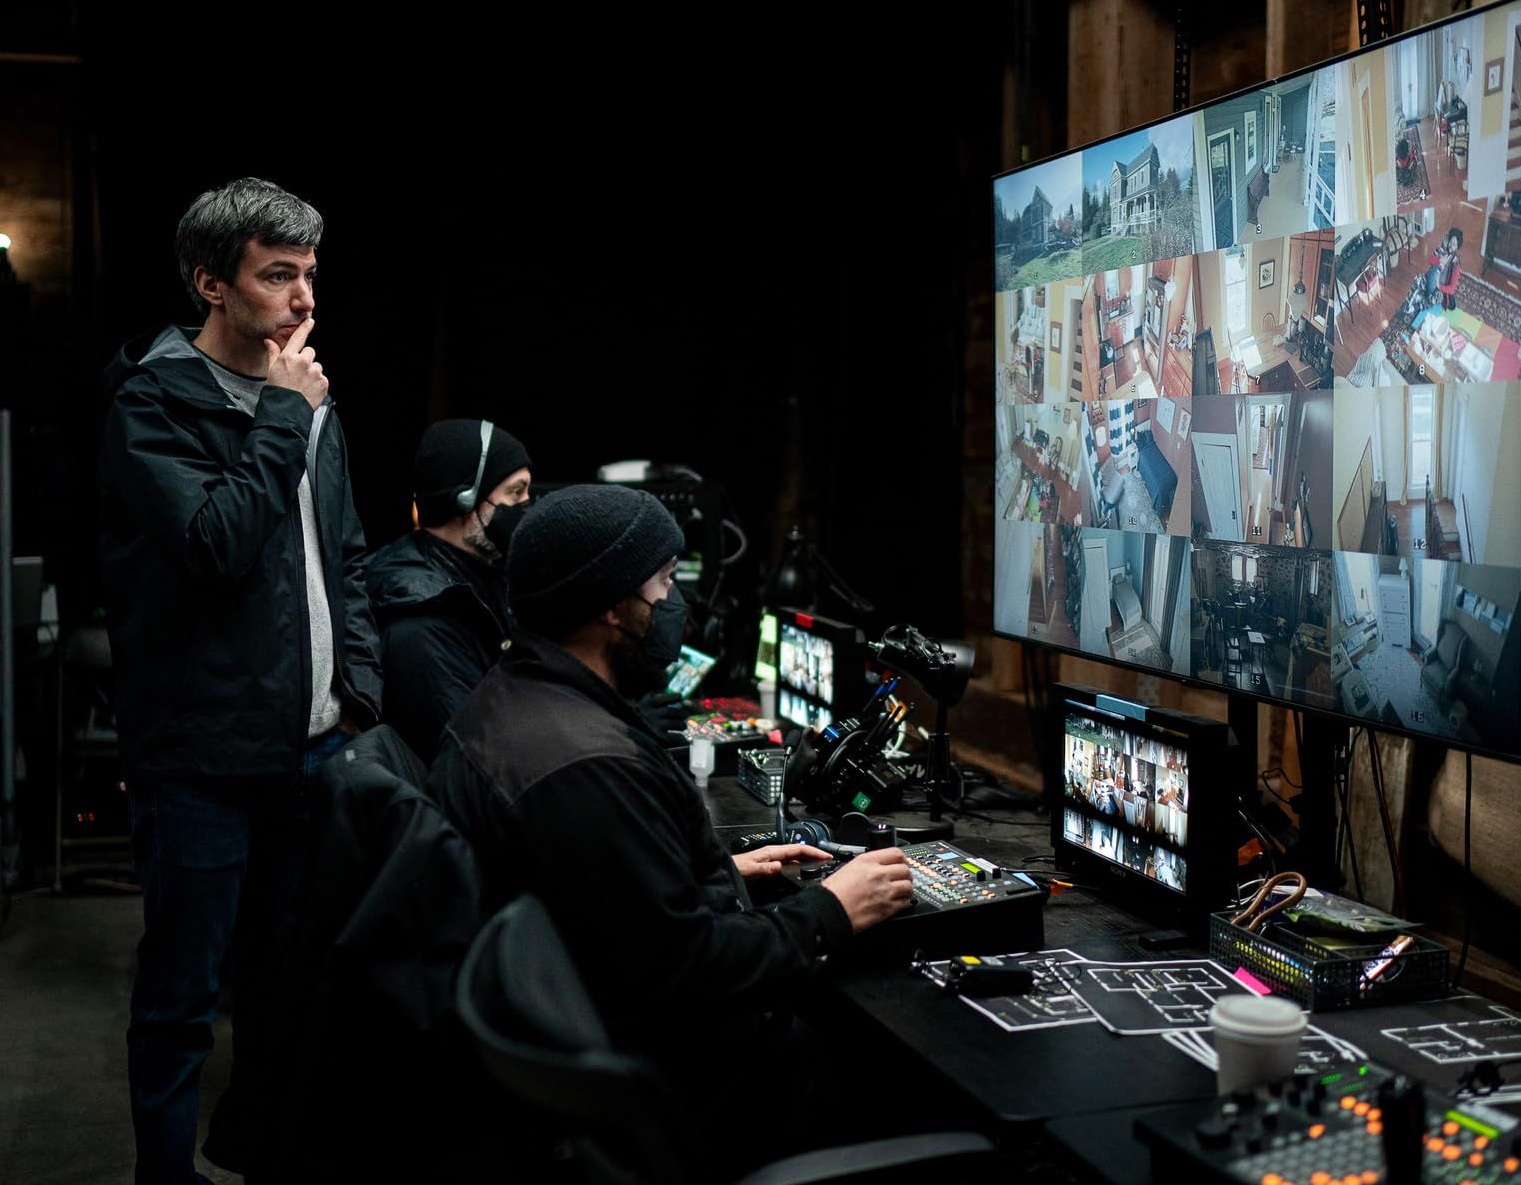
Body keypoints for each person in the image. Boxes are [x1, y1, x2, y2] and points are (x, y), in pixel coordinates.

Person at [431, 484, 912, 1170]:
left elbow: (606, 897)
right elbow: (687, 967)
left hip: (610, 1038)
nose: (675, 604)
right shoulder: (585, 769)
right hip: (699, 1095)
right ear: (609, 607)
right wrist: (830, 909)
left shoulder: (516, 699)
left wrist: (711, 869)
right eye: (663, 582)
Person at [97, 177, 383, 1184]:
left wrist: (360, 695)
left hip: (312, 747)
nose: (304, 301)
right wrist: (280, 413)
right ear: (212, 283)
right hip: (202, 761)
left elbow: (345, 555)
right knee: (181, 1003)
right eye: (277, 276)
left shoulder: (304, 400)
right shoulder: (152, 403)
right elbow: (217, 547)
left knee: (284, 992)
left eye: (310, 274)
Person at [364, 418, 532, 761]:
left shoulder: (488, 578)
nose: (528, 505)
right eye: (516, 492)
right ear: (464, 498)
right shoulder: (420, 619)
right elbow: (478, 754)